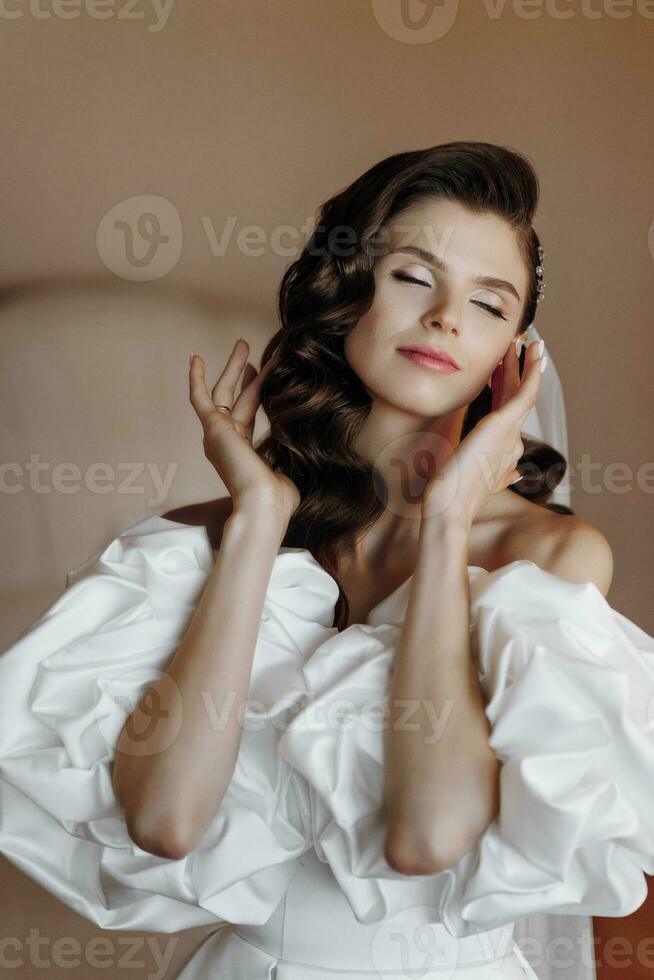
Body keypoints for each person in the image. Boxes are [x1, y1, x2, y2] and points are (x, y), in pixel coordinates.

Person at [1, 142, 653, 980]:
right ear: (342, 296)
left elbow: (427, 836)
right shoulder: (194, 546)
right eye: (414, 277)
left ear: (514, 360)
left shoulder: (545, 558)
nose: (448, 317)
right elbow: (165, 823)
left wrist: (449, 519)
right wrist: (255, 527)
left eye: (491, 304)